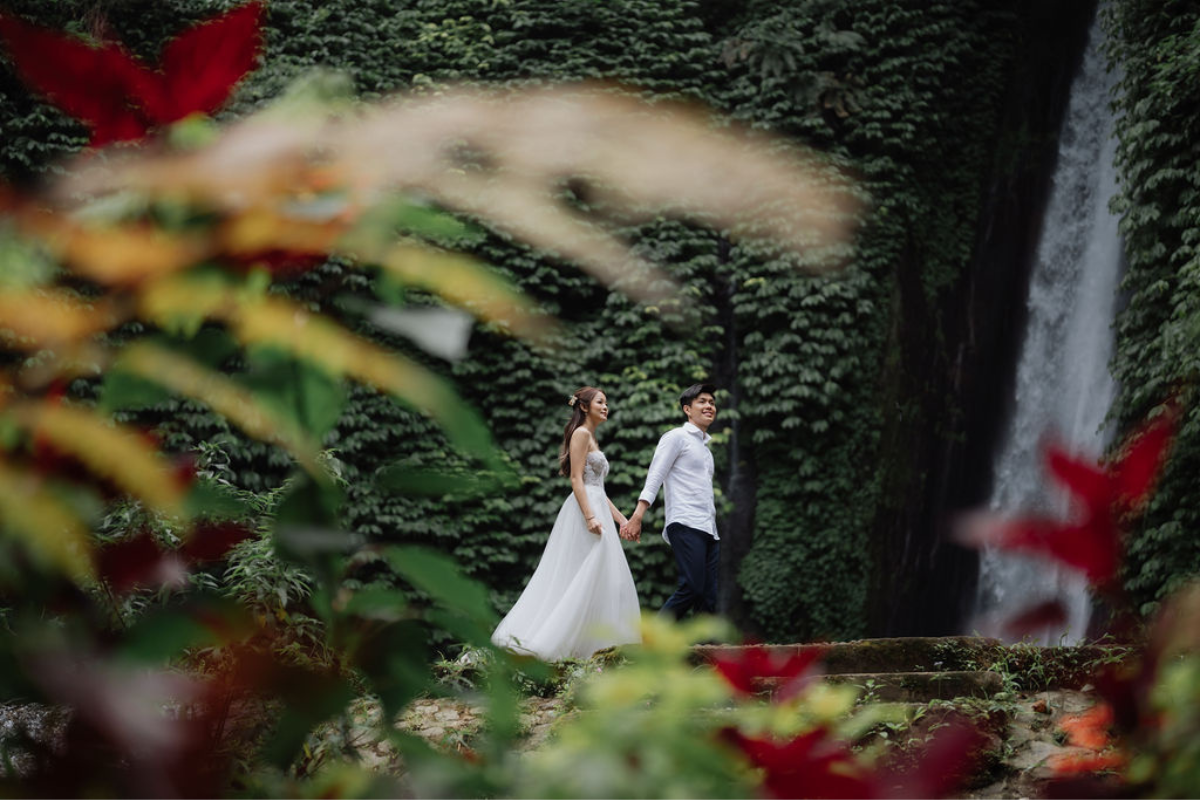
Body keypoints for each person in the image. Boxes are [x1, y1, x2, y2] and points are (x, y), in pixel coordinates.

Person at [491, 387, 642, 661]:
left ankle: (591, 647)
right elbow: (576, 480)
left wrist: (623, 521)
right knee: (587, 572)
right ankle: (553, 644)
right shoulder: (581, 434)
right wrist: (590, 517)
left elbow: (598, 489)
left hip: (597, 508)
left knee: (603, 577)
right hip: (585, 512)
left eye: (607, 402)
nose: (606, 407)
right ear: (584, 407)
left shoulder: (591, 437)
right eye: (600, 402)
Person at [622, 383, 719, 618]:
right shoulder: (677, 437)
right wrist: (637, 515)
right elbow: (655, 475)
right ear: (687, 409)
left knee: (708, 596)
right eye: (702, 401)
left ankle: (705, 650)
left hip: (709, 527)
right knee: (692, 587)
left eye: (712, 402)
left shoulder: (706, 450)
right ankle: (652, 643)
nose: (709, 406)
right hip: (685, 522)